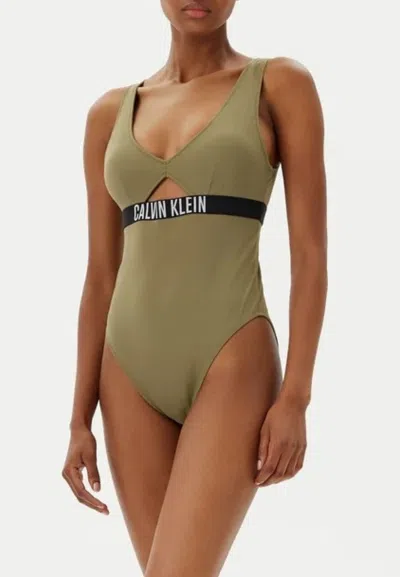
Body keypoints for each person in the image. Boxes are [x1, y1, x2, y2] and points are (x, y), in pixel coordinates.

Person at [62, 1, 327, 575]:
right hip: (127, 369)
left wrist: (296, 398)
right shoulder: (109, 113)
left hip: (231, 355)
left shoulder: (278, 85)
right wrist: (79, 418)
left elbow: (309, 256)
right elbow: (101, 274)